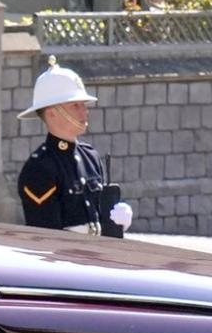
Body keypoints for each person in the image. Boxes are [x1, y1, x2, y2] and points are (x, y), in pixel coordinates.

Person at [17, 56, 132, 237]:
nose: (84, 111)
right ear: (52, 112)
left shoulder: (90, 156)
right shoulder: (39, 167)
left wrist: (115, 221)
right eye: (75, 105)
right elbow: (46, 235)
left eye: (83, 105)